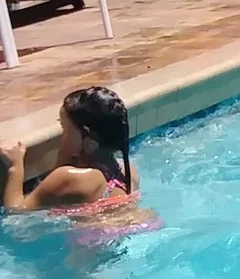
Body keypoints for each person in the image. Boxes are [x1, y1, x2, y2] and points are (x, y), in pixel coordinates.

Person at [2, 86, 138, 214]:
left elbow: (16, 211)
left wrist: (15, 166)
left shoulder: (70, 178)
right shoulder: (128, 170)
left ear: (86, 135)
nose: (61, 138)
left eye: (65, 128)